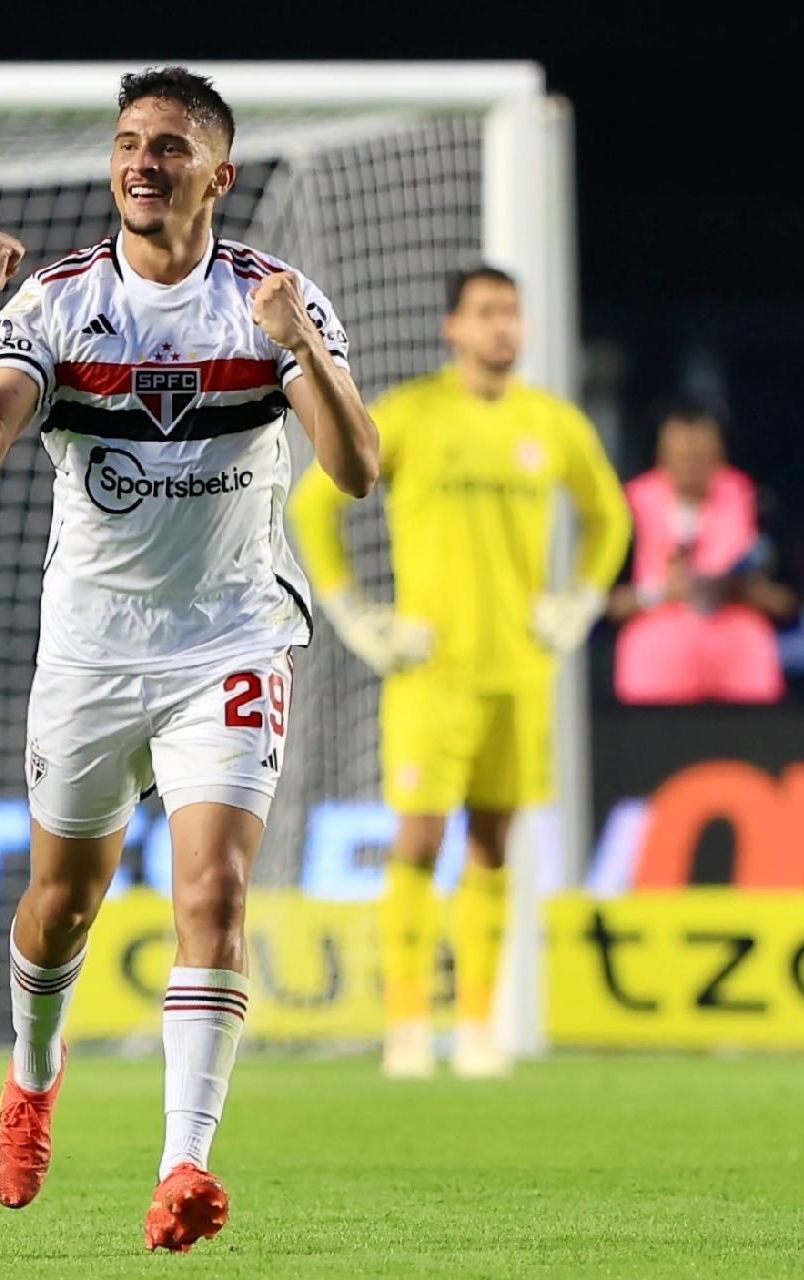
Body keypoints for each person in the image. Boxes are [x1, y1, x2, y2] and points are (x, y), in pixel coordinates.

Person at [0, 67, 380, 1252]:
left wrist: (302, 352)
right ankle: (32, 1078)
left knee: (212, 895)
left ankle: (185, 1160)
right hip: (91, 647)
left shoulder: (271, 299)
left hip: (231, 636)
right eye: (130, 142)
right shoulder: (60, 302)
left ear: (218, 175)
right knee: (61, 903)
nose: (143, 162)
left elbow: (358, 467)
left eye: (170, 147)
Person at [287, 265, 631, 1080]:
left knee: (494, 841)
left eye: (511, 312)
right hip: (431, 673)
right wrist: (357, 614)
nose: (501, 327)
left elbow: (608, 515)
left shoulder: (552, 423)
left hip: (519, 668)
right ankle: (407, 1024)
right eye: (485, 313)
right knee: (418, 835)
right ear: (453, 328)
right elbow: (313, 504)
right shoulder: (414, 414)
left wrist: (580, 600)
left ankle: (477, 1026)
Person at [606, 401, 797, 703]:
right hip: (657, 676)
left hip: (741, 672)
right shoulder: (626, 510)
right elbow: (606, 605)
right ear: (661, 456)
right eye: (682, 454)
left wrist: (743, 590)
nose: (692, 463)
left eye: (702, 454)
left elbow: (791, 601)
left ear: (720, 453)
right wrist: (661, 592)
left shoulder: (758, 505)